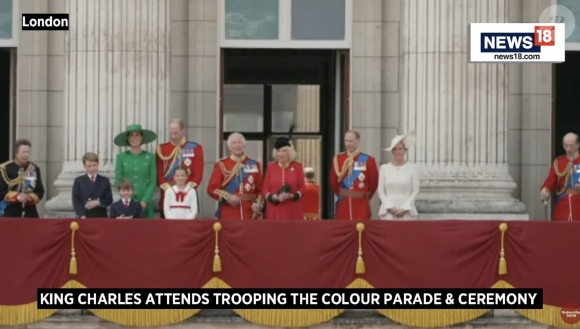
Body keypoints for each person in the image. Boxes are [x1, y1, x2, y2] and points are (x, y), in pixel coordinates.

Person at [207, 133, 264, 220]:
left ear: (244, 145)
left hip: (249, 213)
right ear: (229, 147)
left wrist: (258, 204)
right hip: (229, 211)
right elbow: (212, 189)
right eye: (234, 143)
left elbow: (260, 190)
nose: (237, 145)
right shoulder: (221, 165)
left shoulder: (255, 164)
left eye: (239, 142)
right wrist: (227, 197)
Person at [157, 119, 204, 218]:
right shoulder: (162, 149)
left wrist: (184, 190)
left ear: (183, 131)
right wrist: (172, 191)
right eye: (171, 133)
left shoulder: (195, 148)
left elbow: (198, 175)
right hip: (168, 195)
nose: (173, 136)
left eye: (176, 133)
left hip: (188, 196)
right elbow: (159, 175)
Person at [330, 130, 379, 220]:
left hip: (361, 204)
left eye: (351, 141)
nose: (348, 144)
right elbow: (334, 181)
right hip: (344, 203)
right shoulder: (338, 159)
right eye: (346, 141)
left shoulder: (368, 160)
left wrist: (362, 195)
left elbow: (374, 182)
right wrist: (345, 194)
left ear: (358, 141)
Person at [262, 125, 307, 220]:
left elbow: (303, 188)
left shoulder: (297, 166)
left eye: (284, 151)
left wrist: (292, 196)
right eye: (278, 151)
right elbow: (265, 189)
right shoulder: (271, 167)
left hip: (293, 208)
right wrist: (274, 197)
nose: (280, 154)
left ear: (290, 152)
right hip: (275, 209)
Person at [114, 124, 158, 218]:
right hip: (128, 204)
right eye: (131, 135)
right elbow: (118, 180)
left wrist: (145, 200)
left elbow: (153, 181)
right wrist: (126, 199)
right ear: (128, 139)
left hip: (145, 202)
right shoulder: (121, 157)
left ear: (142, 137)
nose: (134, 138)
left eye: (137, 135)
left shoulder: (151, 157)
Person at [377, 130, 420, 220]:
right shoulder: (384, 168)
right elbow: (381, 191)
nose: (397, 152)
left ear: (405, 150)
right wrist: (390, 207)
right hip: (388, 212)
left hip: (407, 212)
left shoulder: (413, 168)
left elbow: (415, 191)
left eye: (400, 149)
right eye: (394, 149)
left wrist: (404, 208)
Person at [0, 139, 45, 217]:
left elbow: (40, 191)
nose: (27, 155)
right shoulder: (6, 168)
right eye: (24, 152)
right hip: (10, 212)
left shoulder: (32, 168)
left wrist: (30, 197)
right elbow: (1, 191)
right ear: (16, 154)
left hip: (29, 212)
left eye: (28, 152)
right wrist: (17, 197)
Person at [541, 132, 580, 221]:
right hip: (563, 206)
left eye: (571, 145)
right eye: (566, 145)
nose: (568, 149)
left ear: (577, 145)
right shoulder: (558, 162)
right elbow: (551, 181)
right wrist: (545, 190)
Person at [72, 152, 114, 218]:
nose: (92, 168)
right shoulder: (79, 181)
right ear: (85, 166)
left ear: (98, 164)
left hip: (100, 216)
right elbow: (76, 200)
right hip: (84, 216)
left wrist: (98, 202)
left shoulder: (104, 180)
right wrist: (82, 214)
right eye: (89, 166)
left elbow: (109, 199)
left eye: (94, 165)